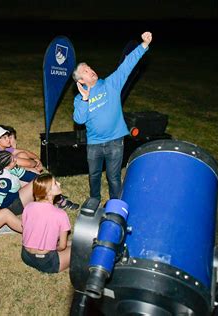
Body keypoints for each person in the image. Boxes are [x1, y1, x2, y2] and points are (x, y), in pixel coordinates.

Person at [73, 31, 153, 201]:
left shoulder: (111, 83)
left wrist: (143, 45)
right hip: (94, 144)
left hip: (115, 141)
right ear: (81, 81)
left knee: (114, 177)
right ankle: (94, 199)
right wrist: (85, 99)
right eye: (86, 71)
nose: (91, 71)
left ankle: (116, 205)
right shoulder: (80, 99)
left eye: (90, 68)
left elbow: (127, 65)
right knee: (94, 176)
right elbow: (79, 119)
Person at [21, 174, 72, 273]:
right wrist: (54, 249)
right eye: (55, 184)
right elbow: (62, 246)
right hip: (46, 261)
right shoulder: (61, 214)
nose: (59, 183)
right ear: (48, 192)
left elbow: (26, 230)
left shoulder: (28, 207)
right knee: (82, 249)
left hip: (26, 256)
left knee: (74, 243)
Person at [0, 150, 37, 215]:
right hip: (11, 205)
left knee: (36, 175)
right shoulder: (3, 181)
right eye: (12, 160)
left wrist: (44, 178)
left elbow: (26, 175)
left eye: (13, 157)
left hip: (12, 194)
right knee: (38, 182)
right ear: (6, 166)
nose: (15, 160)